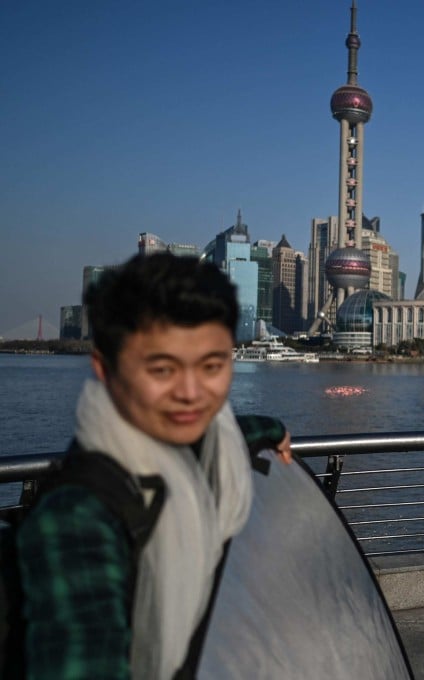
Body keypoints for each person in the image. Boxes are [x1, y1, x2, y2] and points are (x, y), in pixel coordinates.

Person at [16, 253, 291, 679]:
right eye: (162, 368)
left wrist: (273, 429)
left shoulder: (181, 451)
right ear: (105, 369)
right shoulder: (76, 520)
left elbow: (225, 433)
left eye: (212, 366)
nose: (191, 393)